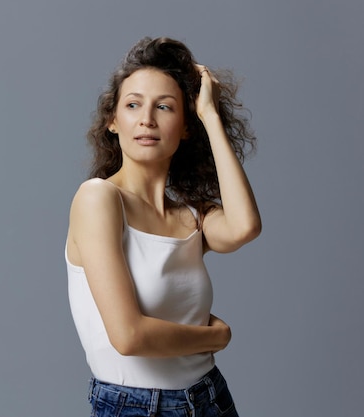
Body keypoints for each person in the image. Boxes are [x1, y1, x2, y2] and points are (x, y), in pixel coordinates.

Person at [65, 36, 261, 417]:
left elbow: (244, 227)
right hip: (135, 407)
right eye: (133, 104)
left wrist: (211, 116)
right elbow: (129, 336)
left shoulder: (191, 214)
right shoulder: (98, 199)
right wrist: (216, 337)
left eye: (165, 107)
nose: (147, 119)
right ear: (113, 121)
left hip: (210, 398)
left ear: (185, 127)